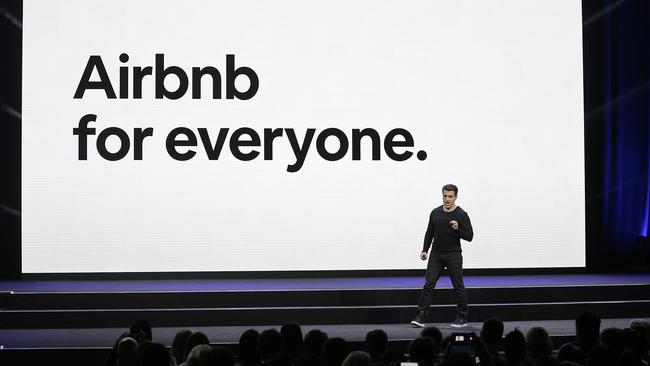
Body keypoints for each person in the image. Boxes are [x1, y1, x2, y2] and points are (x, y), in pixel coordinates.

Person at [411, 184, 474, 328]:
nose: (447, 199)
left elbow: (469, 236)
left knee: (458, 286)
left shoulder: (461, 215)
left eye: (450, 196)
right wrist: (425, 250)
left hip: (453, 254)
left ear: (456, 197)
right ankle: (421, 315)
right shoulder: (435, 212)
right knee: (428, 284)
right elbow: (429, 232)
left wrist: (458, 229)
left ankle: (462, 317)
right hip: (436, 255)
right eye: (445, 196)